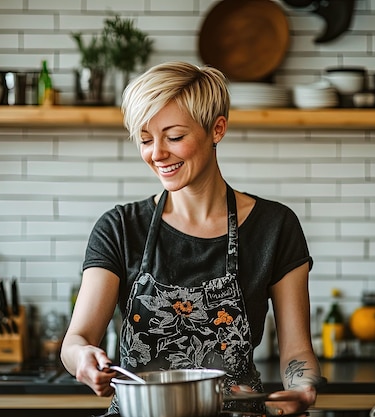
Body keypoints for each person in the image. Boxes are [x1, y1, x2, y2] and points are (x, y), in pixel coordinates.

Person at [60, 61, 322, 415]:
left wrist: (303, 389)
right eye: (146, 139)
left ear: (217, 129)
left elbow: (296, 352)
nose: (157, 153)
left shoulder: (275, 227)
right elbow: (77, 339)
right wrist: (82, 358)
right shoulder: (120, 228)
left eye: (175, 136)